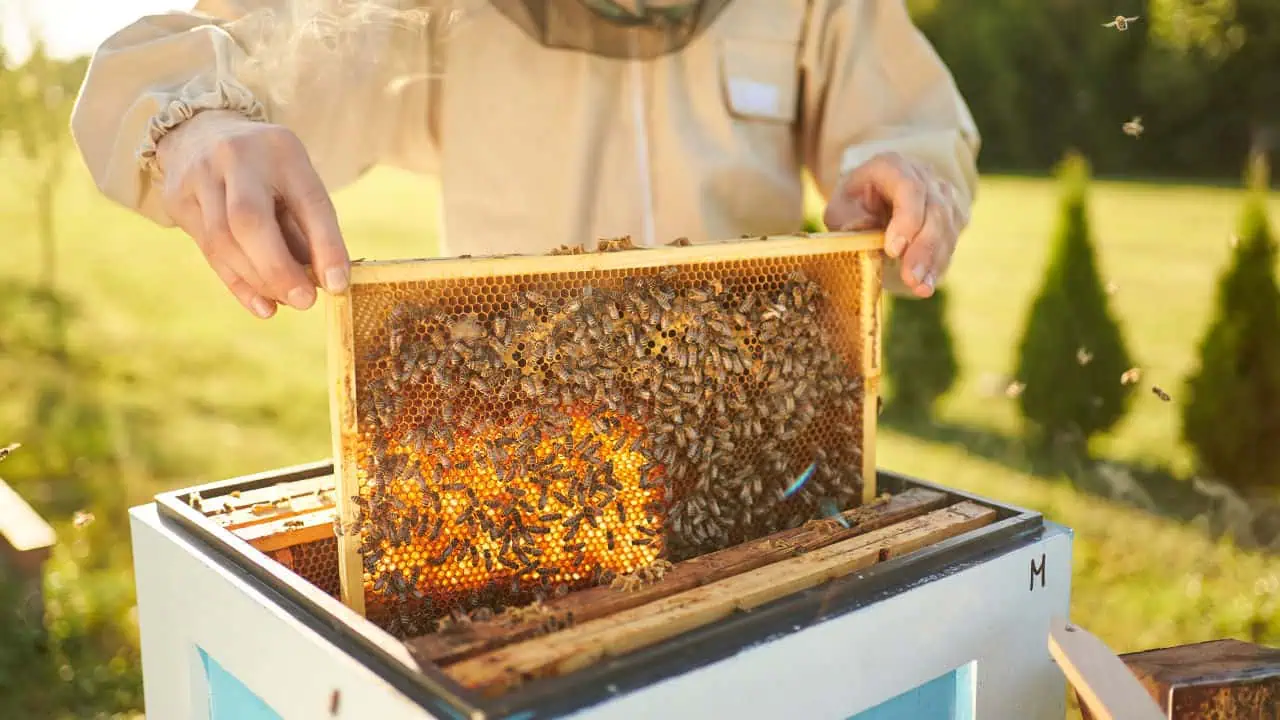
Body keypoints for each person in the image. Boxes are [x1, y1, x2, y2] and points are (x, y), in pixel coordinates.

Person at [71, 0, 979, 320]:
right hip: (525, 454)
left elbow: (911, 125)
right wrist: (197, 127)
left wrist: (900, 180)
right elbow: (202, 55)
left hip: (763, 472)